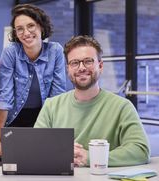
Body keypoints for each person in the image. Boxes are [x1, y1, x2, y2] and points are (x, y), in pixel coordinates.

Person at [34, 35, 150, 167]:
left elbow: (141, 150)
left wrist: (92, 157)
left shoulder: (122, 107)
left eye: (88, 61)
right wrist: (62, 151)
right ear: (68, 69)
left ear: (100, 66)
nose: (81, 68)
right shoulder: (51, 105)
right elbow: (36, 148)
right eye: (75, 63)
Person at [0, 4, 67, 157]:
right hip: (14, 120)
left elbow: (57, 96)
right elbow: (4, 97)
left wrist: (55, 133)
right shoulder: (11, 52)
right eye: (19, 28)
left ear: (41, 26)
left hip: (44, 119)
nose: (26, 33)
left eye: (31, 26)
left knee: (45, 162)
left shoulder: (55, 51)